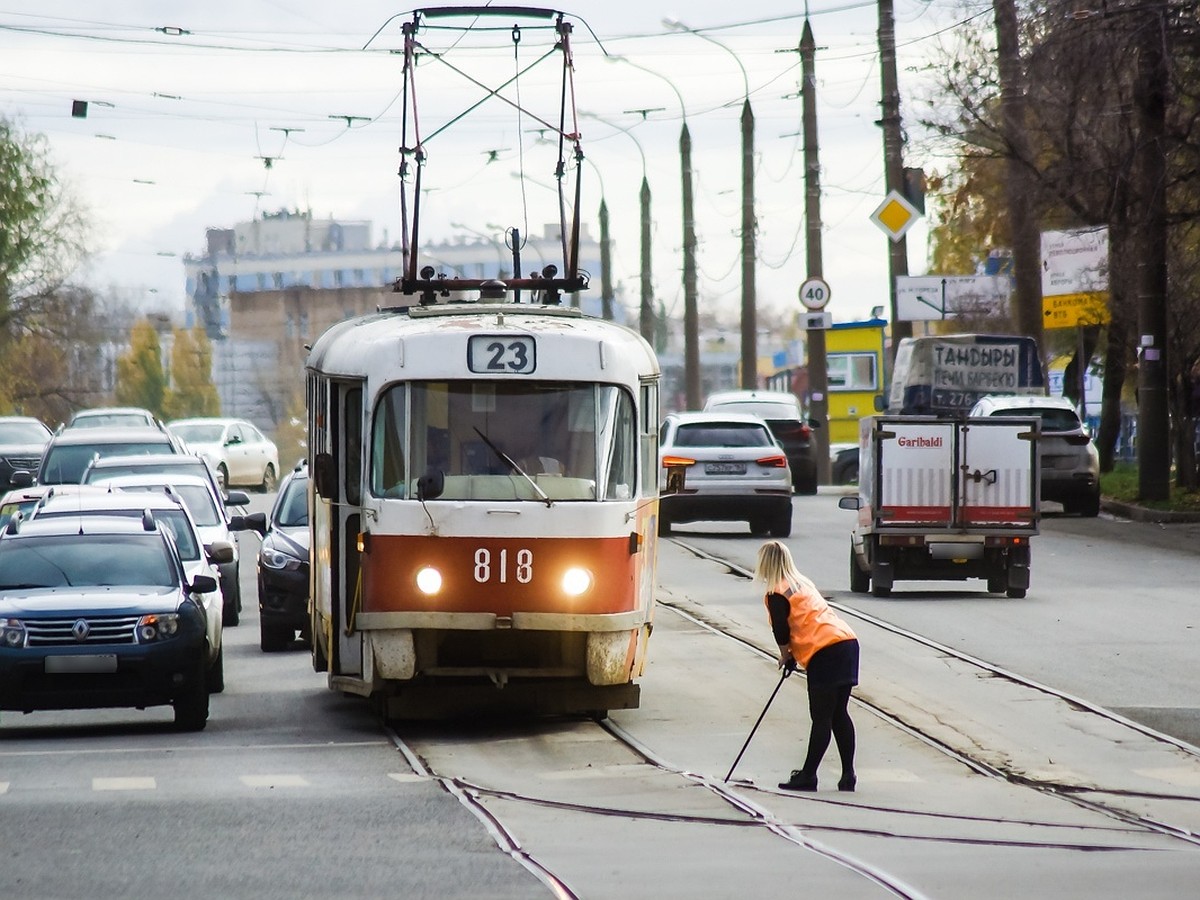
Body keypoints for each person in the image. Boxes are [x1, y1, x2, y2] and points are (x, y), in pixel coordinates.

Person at [754, 539, 859, 792]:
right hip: (847, 642)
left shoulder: (776, 593)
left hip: (825, 651)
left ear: (765, 565)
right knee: (839, 714)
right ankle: (848, 775)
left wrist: (785, 655)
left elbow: (781, 631)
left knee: (821, 717)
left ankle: (808, 776)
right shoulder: (803, 583)